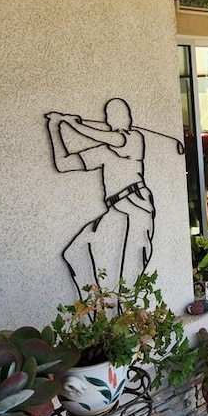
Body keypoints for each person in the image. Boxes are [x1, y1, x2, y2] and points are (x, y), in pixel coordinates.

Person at [45, 98, 155, 294]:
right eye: (112, 115)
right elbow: (63, 164)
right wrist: (55, 128)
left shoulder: (133, 139)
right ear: (109, 120)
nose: (119, 119)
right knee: (75, 252)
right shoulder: (104, 151)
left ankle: (131, 319)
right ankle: (97, 309)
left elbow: (110, 138)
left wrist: (73, 124)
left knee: (129, 280)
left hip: (136, 206)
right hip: (115, 210)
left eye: (122, 114)